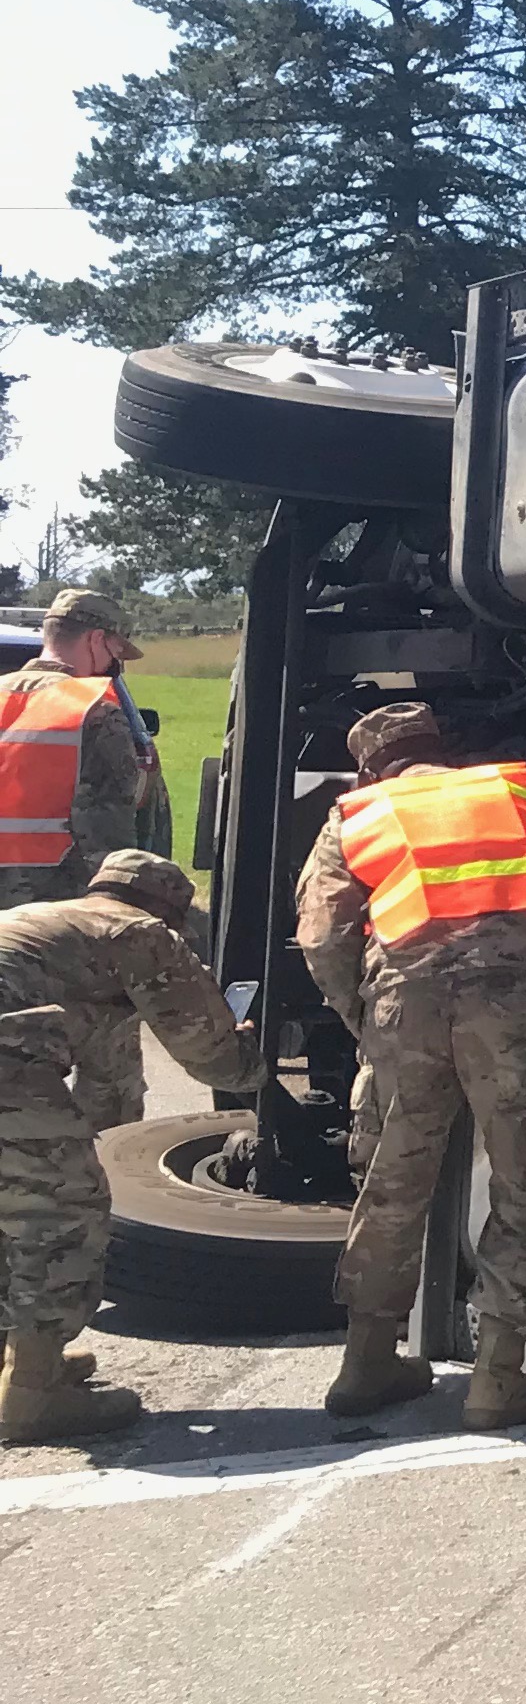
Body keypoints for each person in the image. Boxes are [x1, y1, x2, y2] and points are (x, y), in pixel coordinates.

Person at [292, 705, 526, 1430]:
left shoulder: (357, 815)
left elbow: (321, 933)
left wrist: (361, 1014)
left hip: (404, 1010)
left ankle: (366, 1361)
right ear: (443, 749)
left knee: (393, 1182)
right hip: (514, 1011)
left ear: (372, 767)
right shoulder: (516, 793)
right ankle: (499, 1376)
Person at [0, 850, 253, 1444]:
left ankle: (18, 1360)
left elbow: (108, 1091)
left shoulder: (51, 924)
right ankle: (33, 1398)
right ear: (168, 911)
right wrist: (253, 1059)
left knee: (11, 1211)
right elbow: (207, 1050)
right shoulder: (139, 934)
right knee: (60, 1216)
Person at [0, 588, 173, 910]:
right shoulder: (94, 711)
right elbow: (110, 832)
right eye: (115, 650)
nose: (114, 662)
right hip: (53, 905)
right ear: (96, 639)